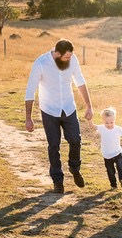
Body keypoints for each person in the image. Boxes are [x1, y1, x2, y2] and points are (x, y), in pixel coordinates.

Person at [24, 39, 94, 193]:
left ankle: (75, 169)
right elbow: (30, 90)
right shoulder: (41, 63)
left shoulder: (72, 59)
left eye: (70, 56)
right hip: (49, 110)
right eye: (66, 57)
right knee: (54, 145)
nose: (69, 59)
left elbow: (80, 81)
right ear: (57, 54)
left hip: (69, 108)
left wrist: (89, 106)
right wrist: (28, 118)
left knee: (75, 139)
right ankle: (58, 181)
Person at [89, 107, 122, 189]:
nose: (109, 124)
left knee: (120, 166)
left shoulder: (118, 128)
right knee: (110, 171)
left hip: (117, 152)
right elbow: (92, 126)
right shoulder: (102, 128)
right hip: (107, 155)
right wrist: (89, 119)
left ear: (114, 120)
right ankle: (113, 185)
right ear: (103, 121)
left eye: (111, 122)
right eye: (106, 123)